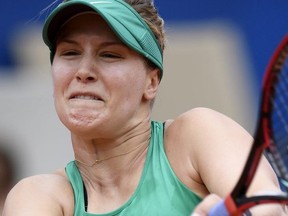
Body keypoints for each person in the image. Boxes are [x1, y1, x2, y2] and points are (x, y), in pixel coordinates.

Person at [2, 0, 287, 215]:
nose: (83, 71)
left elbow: (267, 206)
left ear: (151, 81)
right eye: (70, 53)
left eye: (109, 55)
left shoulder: (198, 134)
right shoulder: (37, 197)